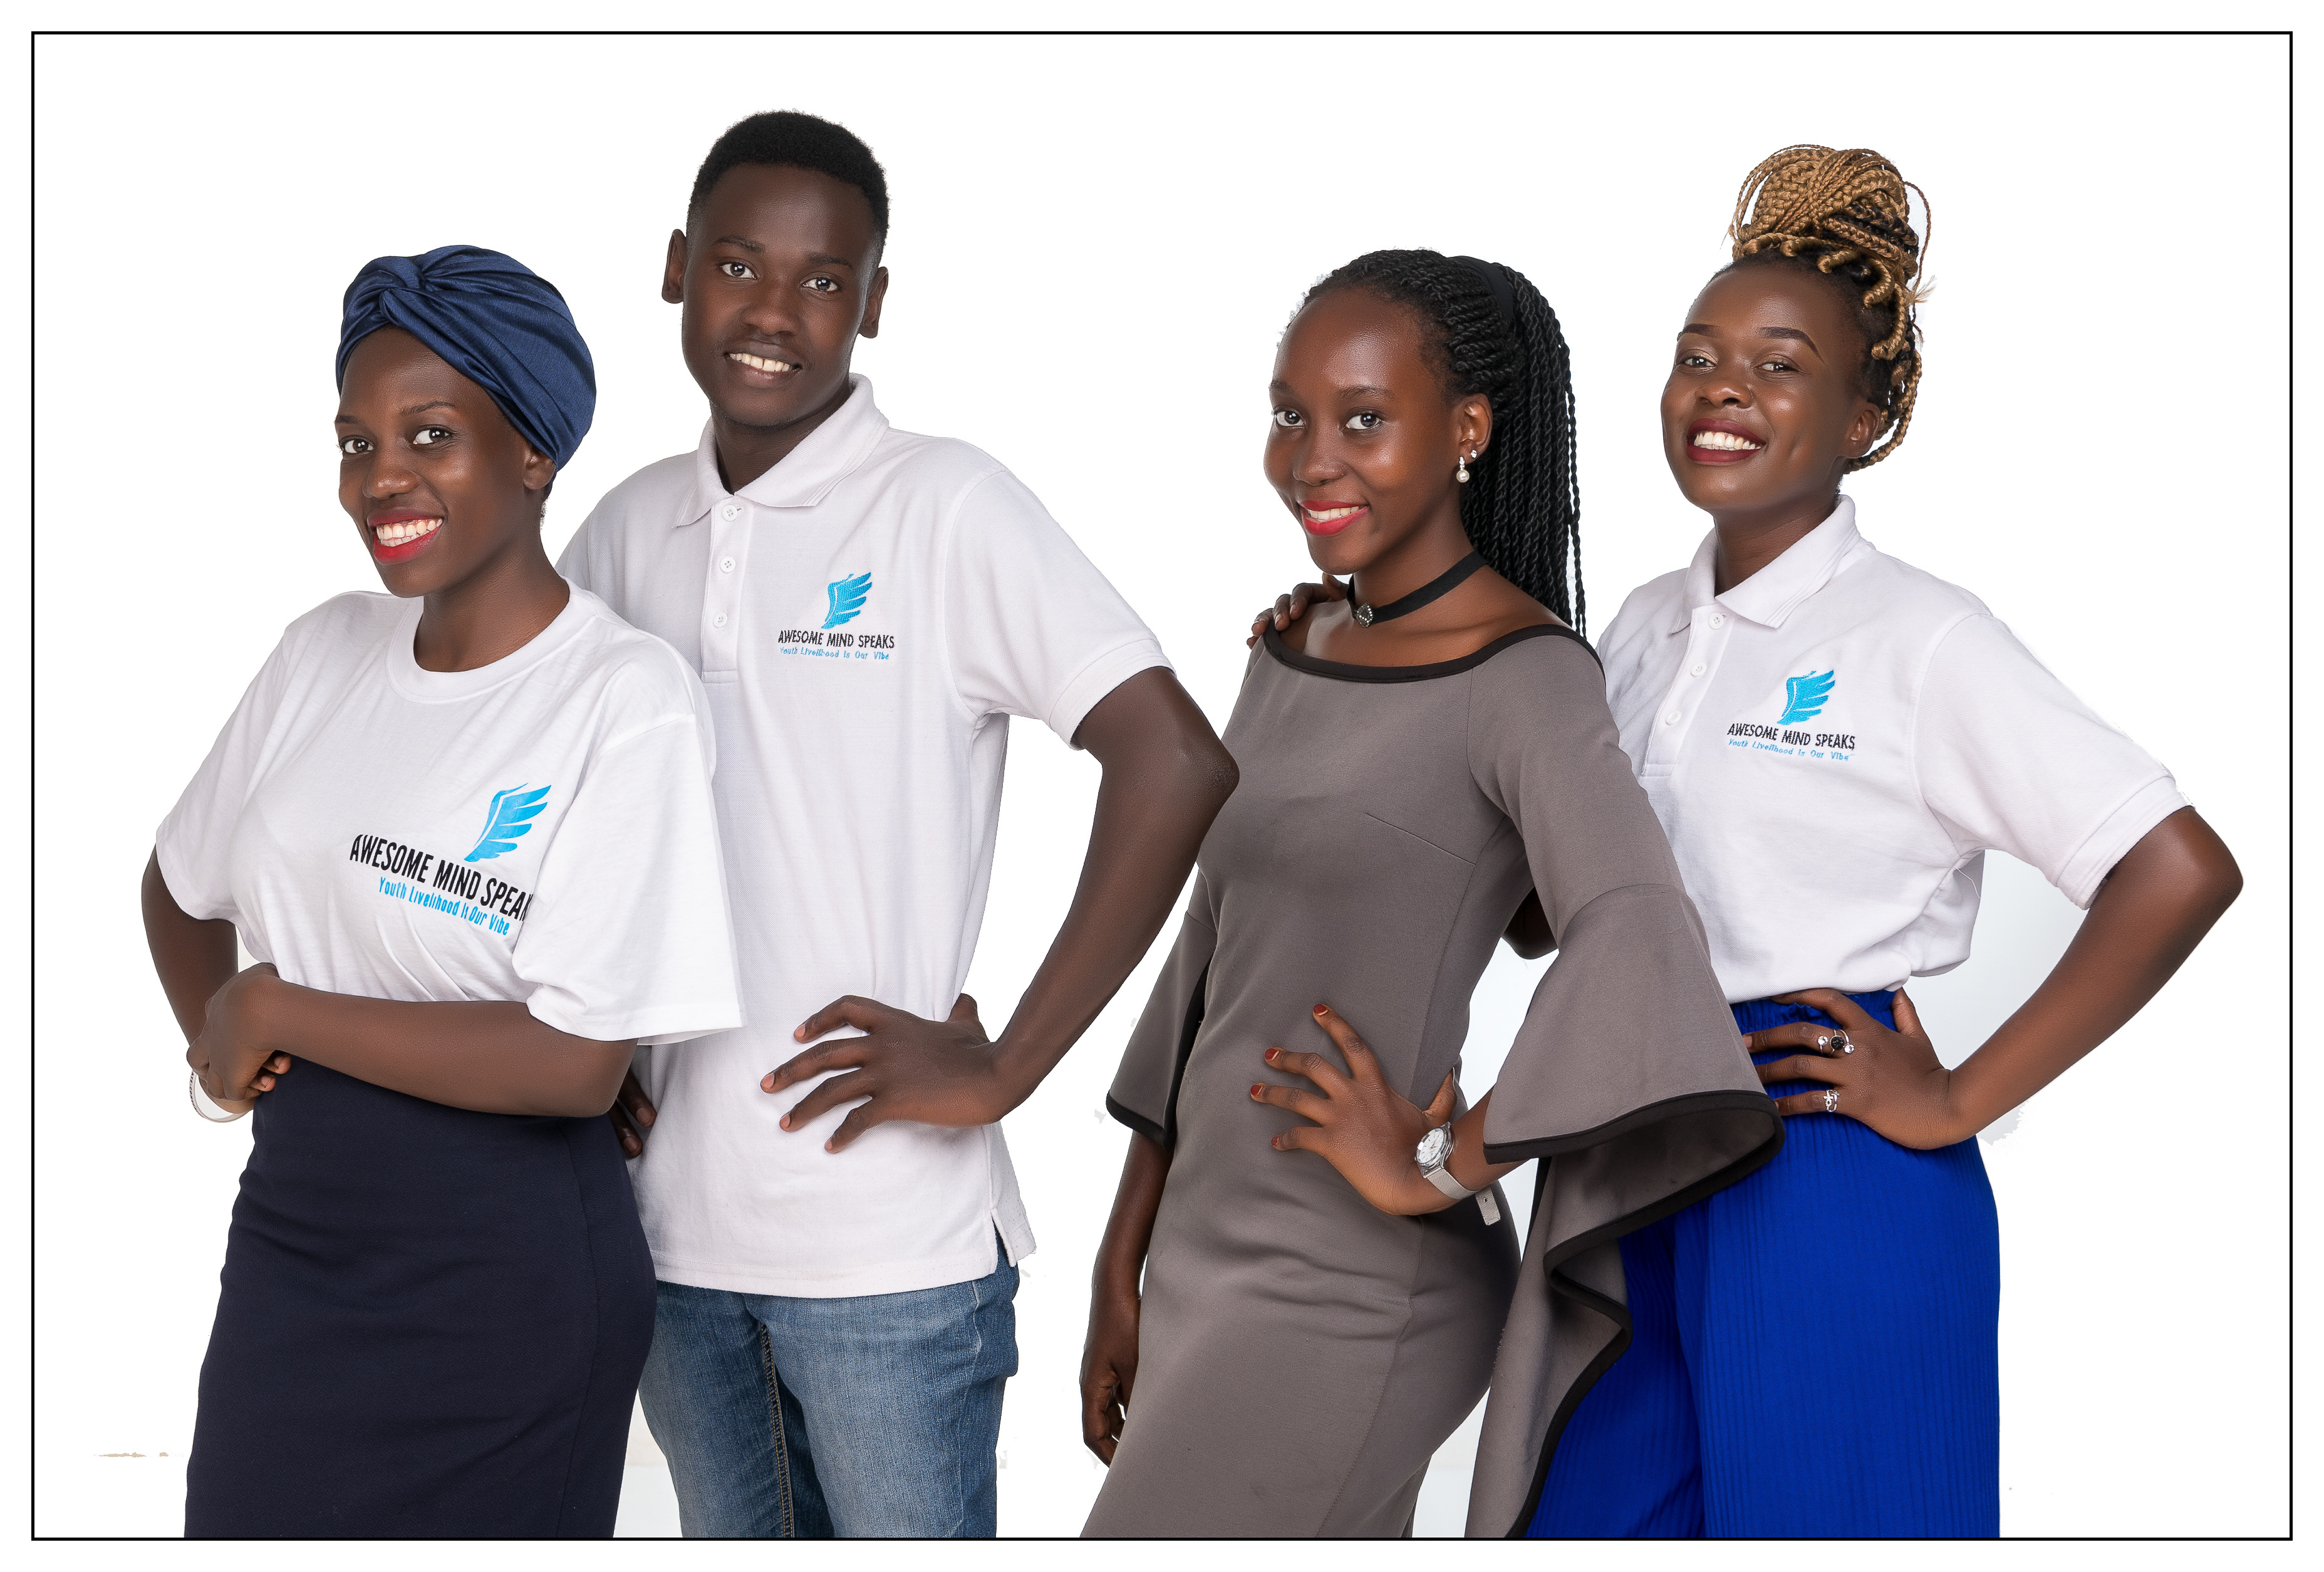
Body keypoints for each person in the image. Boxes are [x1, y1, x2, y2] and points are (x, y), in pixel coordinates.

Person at [1254, 147, 2243, 1538]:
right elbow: (1560, 911)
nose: (1722, 388)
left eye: (1779, 365)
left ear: (1867, 416)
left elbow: (2175, 867)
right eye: (1697, 354)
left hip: (1819, 1162)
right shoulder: (1642, 629)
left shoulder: (1919, 638)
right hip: (1622, 1144)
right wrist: (1353, 630)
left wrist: (1957, 1097)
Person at [557, 111, 1237, 1539]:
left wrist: (1003, 1067)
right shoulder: (621, 532)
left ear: (874, 303)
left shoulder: (944, 506)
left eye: (823, 279)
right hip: (667, 1244)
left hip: (887, 1256)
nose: (775, 311)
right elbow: (570, 820)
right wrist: (593, 1039)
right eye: (740, 263)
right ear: (677, 268)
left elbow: (1172, 758)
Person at [1079, 251, 1782, 1538]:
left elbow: (1632, 932)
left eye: (1361, 418)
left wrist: (1443, 1163)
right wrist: (1119, 1259)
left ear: (1465, 429)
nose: (1310, 459)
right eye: (1291, 413)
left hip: (1352, 1288)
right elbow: (1204, 961)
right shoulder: (1294, 642)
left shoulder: (1526, 678)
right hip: (1201, 1256)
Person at [150, 246, 742, 1538]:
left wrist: (277, 1011)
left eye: (431, 435)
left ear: (532, 452)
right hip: (296, 1239)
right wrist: (224, 1032)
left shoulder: (620, 697)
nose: (383, 479)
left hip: (505, 1278)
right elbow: (177, 880)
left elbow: (581, 1059)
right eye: (357, 444)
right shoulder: (321, 652)